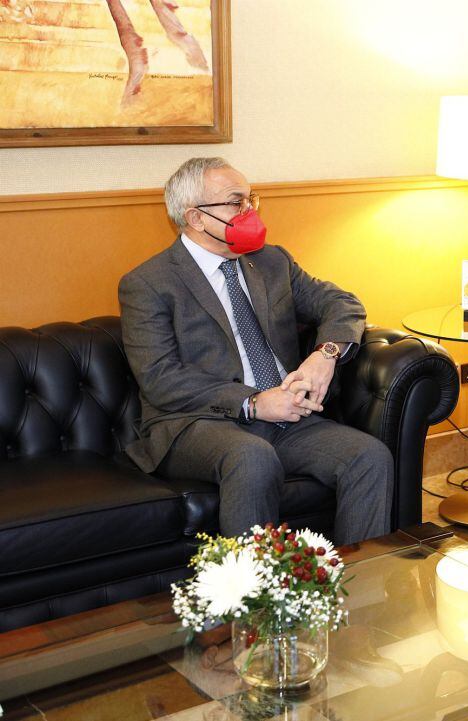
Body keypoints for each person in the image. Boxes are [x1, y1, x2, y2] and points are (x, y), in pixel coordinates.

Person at [119, 157, 393, 545]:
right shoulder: (148, 283)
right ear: (196, 218)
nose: (250, 212)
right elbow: (160, 378)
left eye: (252, 200)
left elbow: (342, 303)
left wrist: (325, 354)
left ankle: (360, 580)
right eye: (237, 203)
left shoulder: (270, 261)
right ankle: (253, 584)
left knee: (369, 457)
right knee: (252, 456)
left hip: (286, 414)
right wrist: (252, 403)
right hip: (195, 423)